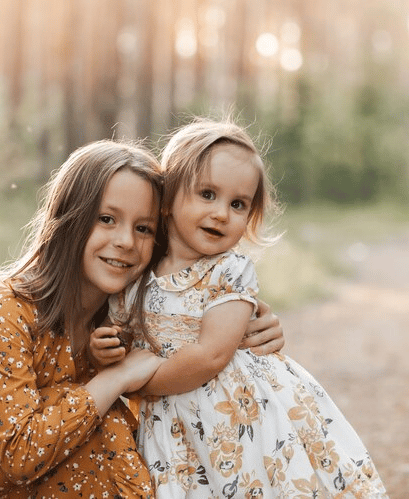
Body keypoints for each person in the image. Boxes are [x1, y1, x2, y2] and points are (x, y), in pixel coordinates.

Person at [0, 139, 285, 498]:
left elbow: (193, 310)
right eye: (106, 219)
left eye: (143, 229)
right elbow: (21, 454)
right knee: (101, 421)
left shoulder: (124, 306)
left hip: (19, 472)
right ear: (69, 220)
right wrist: (114, 378)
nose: (124, 242)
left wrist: (246, 315)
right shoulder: (7, 311)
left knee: (107, 426)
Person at [91, 119, 388, 498]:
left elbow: (212, 354)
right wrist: (107, 348)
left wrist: (137, 383)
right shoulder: (138, 272)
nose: (221, 214)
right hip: (174, 421)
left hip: (232, 415)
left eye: (237, 204)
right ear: (167, 201)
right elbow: (119, 334)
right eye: (207, 194)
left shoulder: (229, 271)